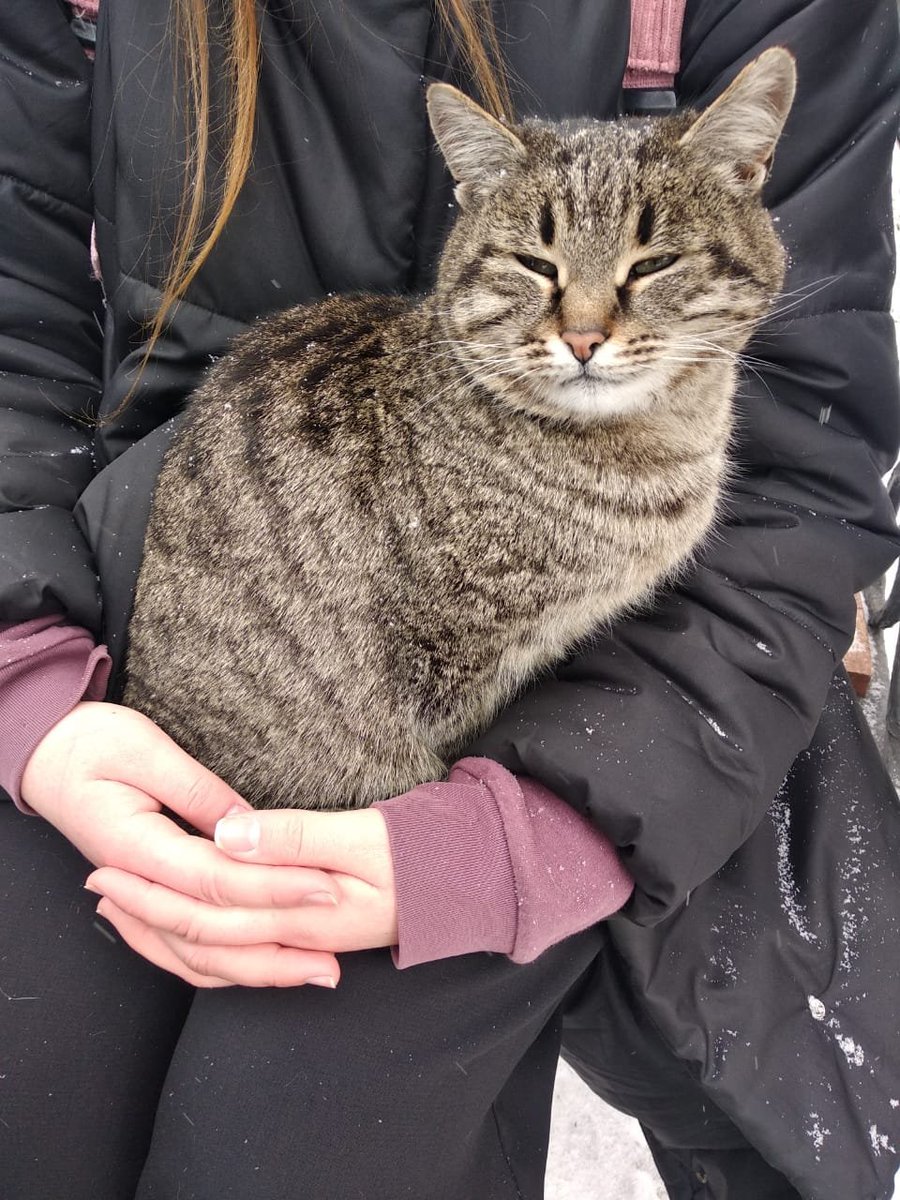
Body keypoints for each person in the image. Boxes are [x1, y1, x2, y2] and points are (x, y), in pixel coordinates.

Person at [1, 1, 898, 1197]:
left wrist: (518, 847)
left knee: (281, 1149)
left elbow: (806, 479)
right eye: (541, 274)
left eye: (644, 270)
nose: (586, 328)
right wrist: (25, 677)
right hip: (148, 629)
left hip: (627, 721)